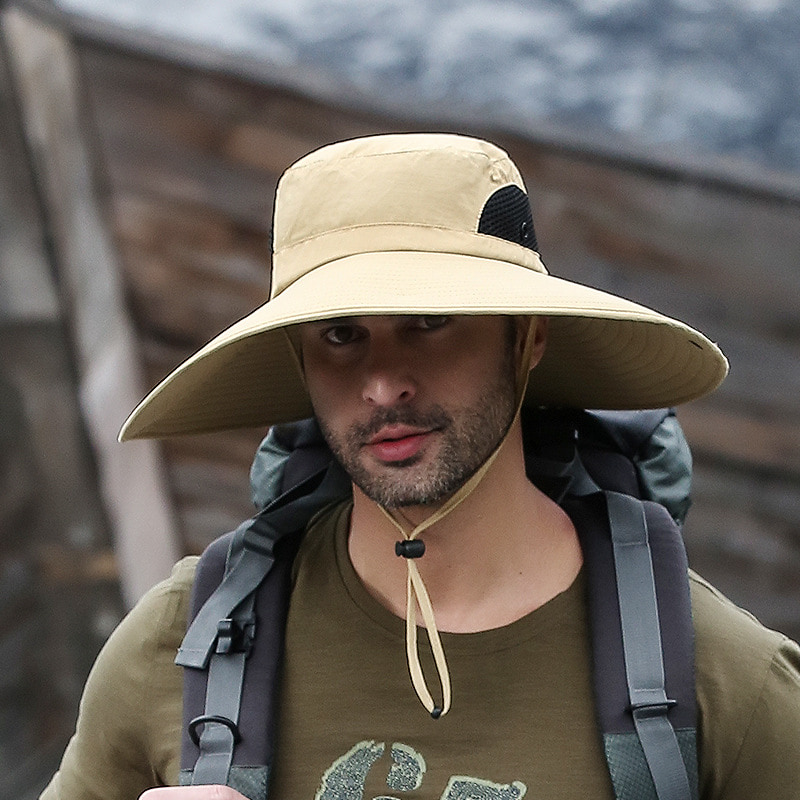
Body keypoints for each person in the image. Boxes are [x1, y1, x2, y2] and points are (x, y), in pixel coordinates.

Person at [41, 133, 800, 800]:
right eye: (341, 334)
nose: (383, 384)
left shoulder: (725, 682)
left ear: (528, 337)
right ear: (299, 362)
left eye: (430, 321)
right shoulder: (179, 647)